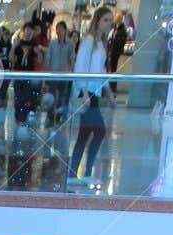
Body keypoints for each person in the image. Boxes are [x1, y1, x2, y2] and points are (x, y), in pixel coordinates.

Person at [69, 7, 113, 184]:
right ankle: (85, 172)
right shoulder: (89, 40)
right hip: (87, 92)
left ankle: (74, 174)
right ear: (98, 21)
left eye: (110, 20)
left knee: (84, 134)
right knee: (99, 131)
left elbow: (101, 71)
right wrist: (85, 92)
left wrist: (109, 93)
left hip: (94, 91)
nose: (109, 24)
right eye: (106, 20)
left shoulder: (101, 43)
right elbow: (81, 66)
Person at [46, 19, 74, 123]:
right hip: (53, 74)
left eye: (61, 28)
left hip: (65, 75)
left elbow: (72, 58)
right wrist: (48, 72)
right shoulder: (52, 43)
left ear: (65, 30)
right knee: (52, 96)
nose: (59, 31)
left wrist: (71, 71)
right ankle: (50, 116)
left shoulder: (70, 43)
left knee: (63, 96)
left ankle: (60, 116)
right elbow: (49, 58)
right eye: (57, 29)